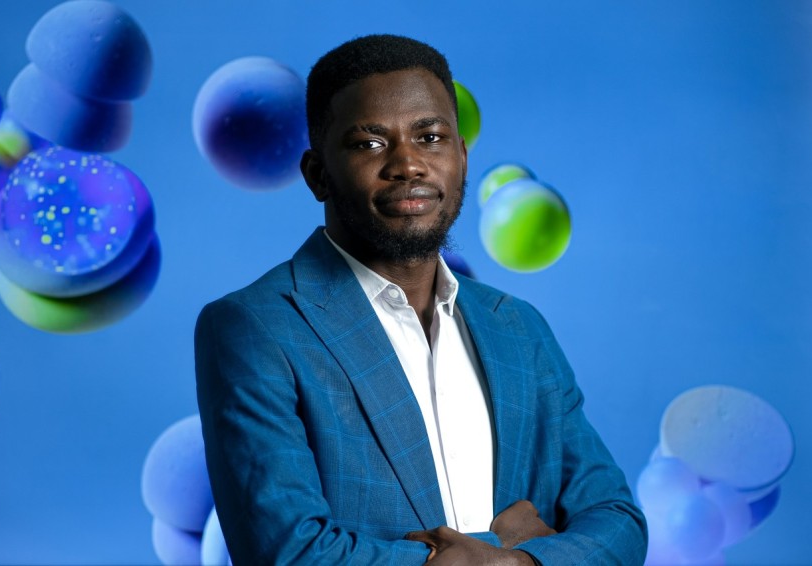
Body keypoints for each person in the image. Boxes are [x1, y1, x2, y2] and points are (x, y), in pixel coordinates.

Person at [195, 34, 647, 565]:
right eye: (370, 143)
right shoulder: (256, 328)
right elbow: (291, 554)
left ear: (460, 156)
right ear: (318, 175)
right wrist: (508, 549)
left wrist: (514, 563)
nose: (408, 164)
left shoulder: (519, 328)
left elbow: (618, 521)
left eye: (430, 137)